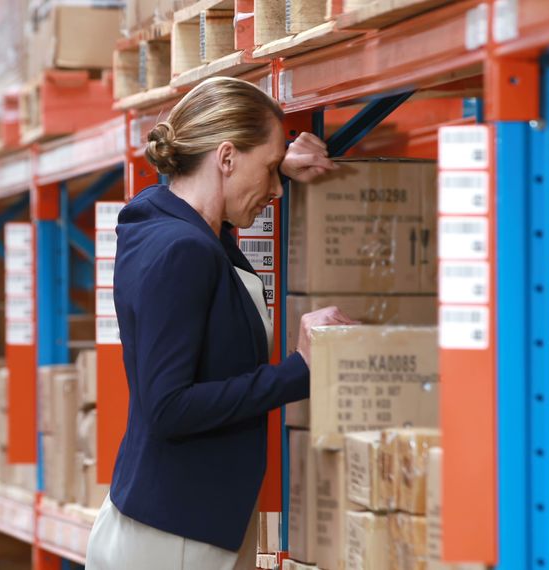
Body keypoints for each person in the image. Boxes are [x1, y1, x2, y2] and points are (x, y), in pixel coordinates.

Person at [85, 76, 358, 570]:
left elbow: (206, 234)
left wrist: (278, 166)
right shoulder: (183, 251)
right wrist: (301, 369)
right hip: (176, 540)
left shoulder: (161, 223)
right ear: (226, 157)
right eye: (270, 169)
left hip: (162, 523)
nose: (275, 188)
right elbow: (169, 407)